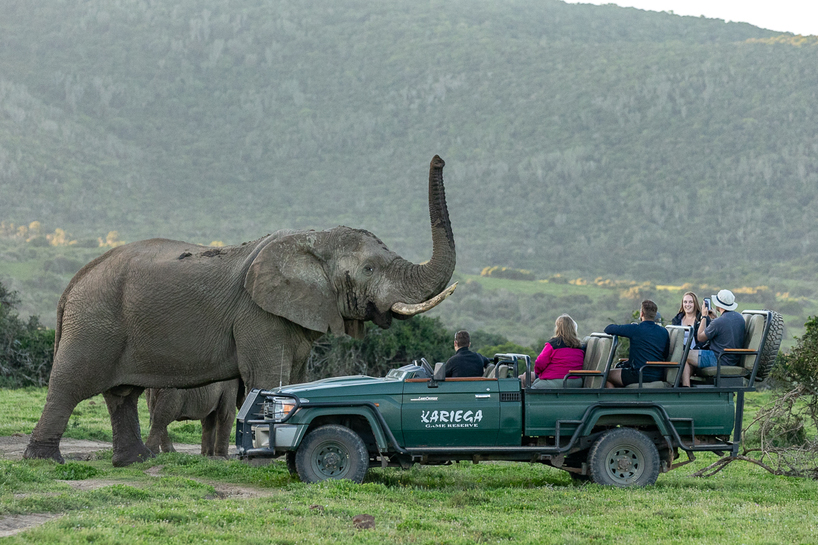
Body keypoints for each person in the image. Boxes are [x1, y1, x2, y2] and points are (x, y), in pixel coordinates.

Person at [681, 289, 745, 387]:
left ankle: (685, 389)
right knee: (689, 361)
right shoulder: (739, 317)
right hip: (732, 358)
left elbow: (700, 337)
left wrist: (704, 316)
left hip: (718, 358)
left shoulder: (718, 322)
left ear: (718, 305)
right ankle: (687, 385)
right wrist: (715, 318)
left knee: (684, 355)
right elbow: (725, 330)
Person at [604, 300, 669, 388]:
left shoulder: (635, 329)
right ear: (655, 314)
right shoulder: (664, 331)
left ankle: (613, 400)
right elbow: (665, 354)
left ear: (641, 313)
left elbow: (609, 329)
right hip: (657, 375)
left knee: (606, 375)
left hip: (638, 375)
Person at [530, 314, 585, 388]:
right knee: (536, 382)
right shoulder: (580, 345)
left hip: (560, 380)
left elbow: (540, 363)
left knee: (532, 390)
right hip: (576, 381)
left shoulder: (553, 344)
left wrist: (539, 373)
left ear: (558, 328)